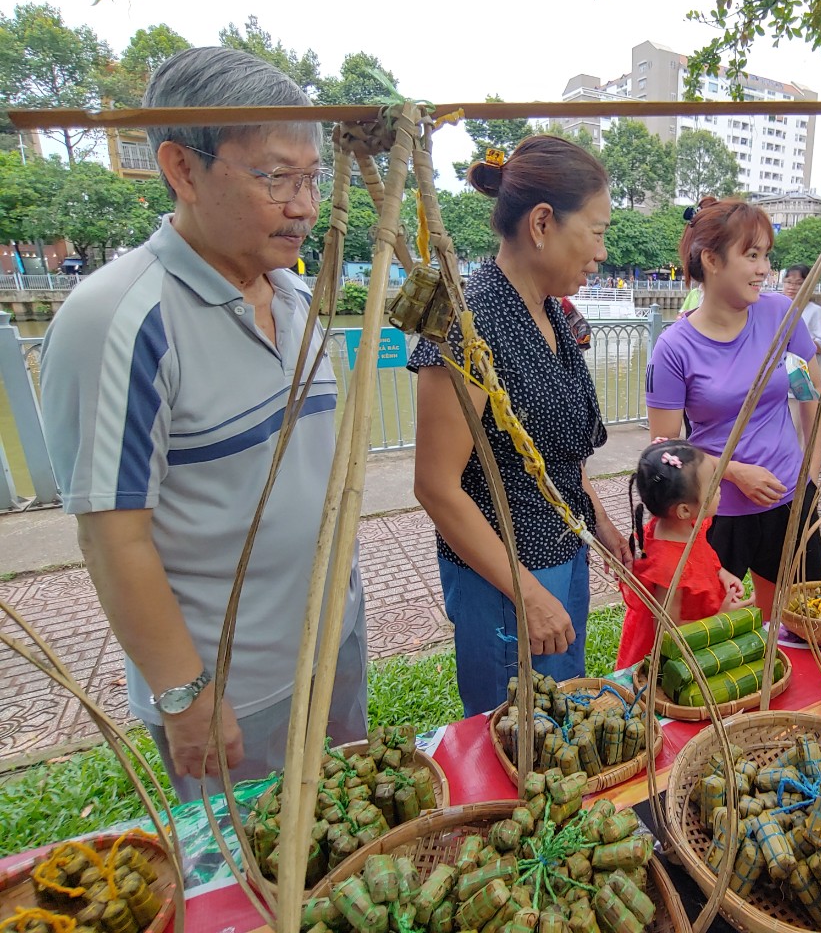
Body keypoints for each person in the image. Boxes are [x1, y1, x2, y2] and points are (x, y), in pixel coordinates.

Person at [38, 48, 367, 802]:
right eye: (276, 177)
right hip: (235, 689)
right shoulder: (118, 320)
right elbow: (112, 535)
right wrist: (185, 695)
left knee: (348, 838)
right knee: (256, 884)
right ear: (183, 169)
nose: (305, 206)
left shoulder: (292, 297)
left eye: (312, 178)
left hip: (334, 646)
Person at [409, 136, 629, 717]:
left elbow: (555, 447)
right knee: (518, 739)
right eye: (598, 231)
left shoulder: (553, 309)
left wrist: (600, 521)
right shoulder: (468, 319)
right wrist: (526, 593)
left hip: (563, 553)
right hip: (505, 581)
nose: (602, 253)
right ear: (541, 223)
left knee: (562, 718)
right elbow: (435, 485)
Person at [646, 196, 821, 621]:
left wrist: (810, 476)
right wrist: (735, 471)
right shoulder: (674, 348)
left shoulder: (781, 314)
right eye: (751, 255)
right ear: (711, 259)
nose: (764, 268)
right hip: (717, 511)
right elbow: (664, 447)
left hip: (788, 501)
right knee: (714, 632)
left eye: (766, 255)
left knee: (800, 623)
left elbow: (808, 392)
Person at [615, 439, 748, 669]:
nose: (719, 489)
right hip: (673, 658)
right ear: (684, 509)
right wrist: (720, 618)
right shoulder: (669, 566)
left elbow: (702, 554)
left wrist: (722, 573)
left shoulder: (686, 525)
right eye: (712, 485)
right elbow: (668, 628)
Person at [782, 263, 821, 441]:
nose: (792, 287)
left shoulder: (814, 311)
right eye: (788, 282)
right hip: (778, 383)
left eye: (798, 283)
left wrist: (798, 341)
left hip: (802, 382)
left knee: (798, 432)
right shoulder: (779, 309)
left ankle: (801, 467)